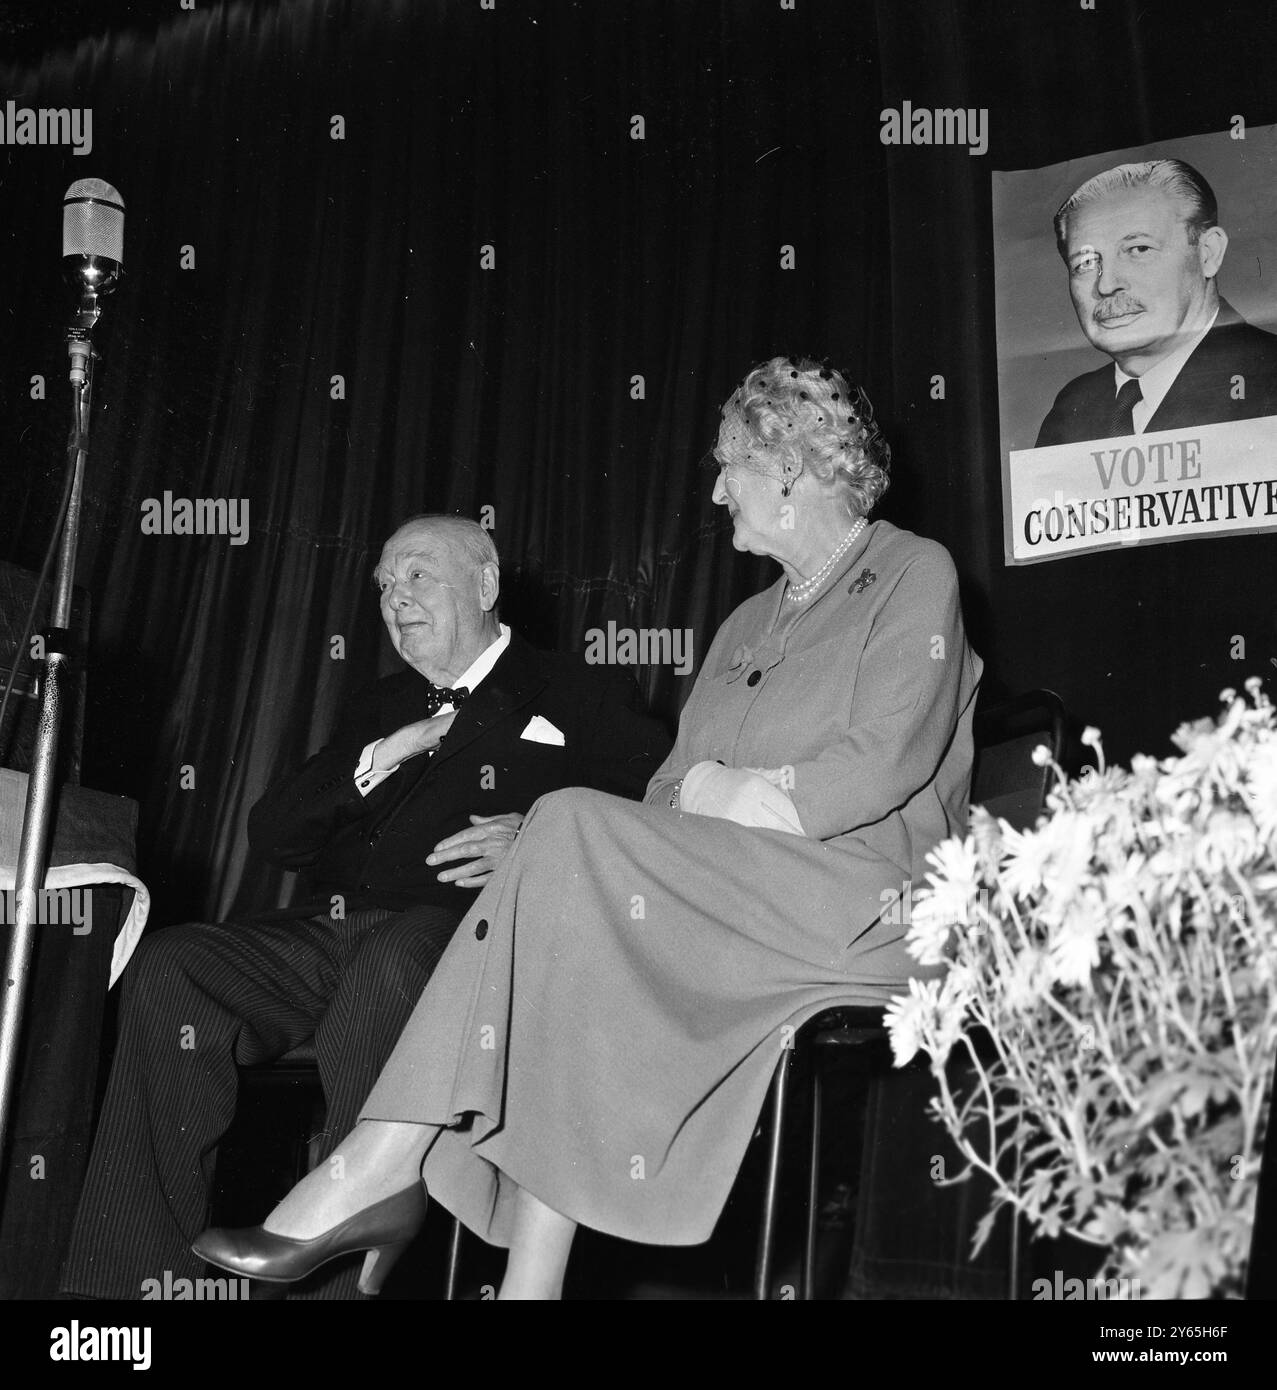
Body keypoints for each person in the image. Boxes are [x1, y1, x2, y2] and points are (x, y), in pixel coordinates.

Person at [193, 358, 984, 1299]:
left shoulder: (910, 570)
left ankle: (372, 1167)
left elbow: (881, 764)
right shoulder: (742, 624)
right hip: (742, 899)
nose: (719, 486)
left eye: (731, 462)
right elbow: (661, 792)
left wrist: (725, 791)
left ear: (791, 467)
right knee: (568, 953)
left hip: (865, 905)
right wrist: (700, 795)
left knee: (563, 827)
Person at [60, 514, 670, 1300]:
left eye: (418, 575)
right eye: (383, 584)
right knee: (172, 966)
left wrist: (543, 831)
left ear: (485, 586)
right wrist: (388, 752)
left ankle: (334, 1276)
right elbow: (275, 835)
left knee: (390, 969)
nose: (395, 597)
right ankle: (125, 1295)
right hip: (329, 931)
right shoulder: (378, 703)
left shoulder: (580, 689)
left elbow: (655, 808)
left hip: (468, 938)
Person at [1035, 158, 1277, 447]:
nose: (1106, 284)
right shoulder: (1072, 407)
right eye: (1085, 263)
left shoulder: (1269, 380)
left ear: (1208, 254)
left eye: (1138, 249)